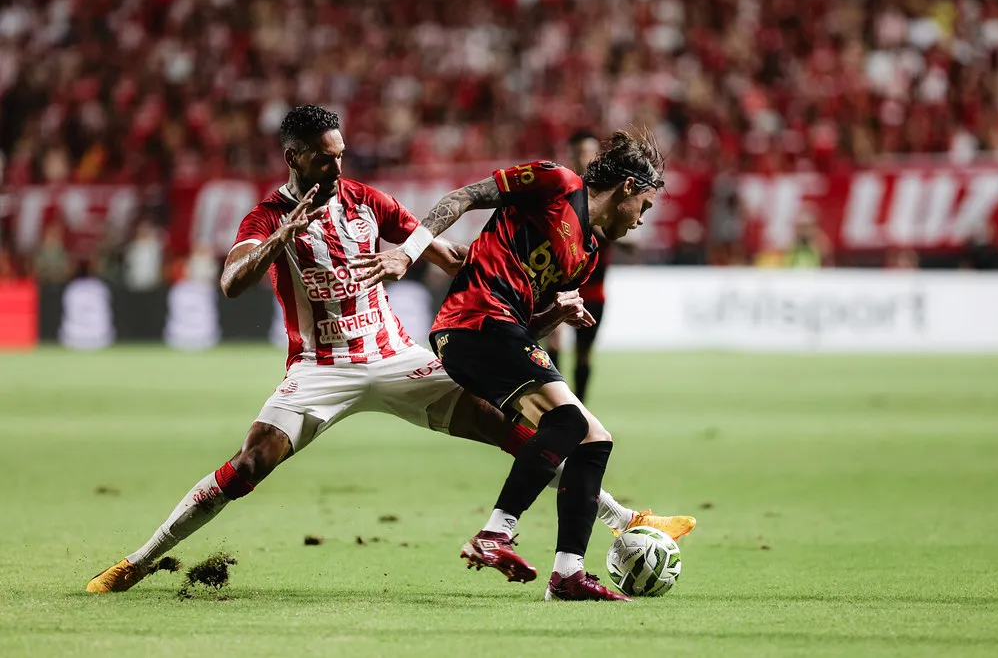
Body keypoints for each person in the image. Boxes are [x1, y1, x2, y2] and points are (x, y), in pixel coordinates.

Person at [86, 106, 693, 593]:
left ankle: (625, 520)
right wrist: (281, 237)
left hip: (397, 358)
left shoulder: (364, 201)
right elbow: (232, 282)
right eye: (325, 159)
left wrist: (441, 255)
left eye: (341, 156)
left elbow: (434, 243)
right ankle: (137, 561)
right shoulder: (264, 216)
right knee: (249, 465)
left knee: (520, 428)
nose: (336, 167)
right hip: (319, 369)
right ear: (294, 157)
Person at [352, 128, 682, 601]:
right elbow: (464, 196)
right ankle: (494, 535)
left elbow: (525, 329)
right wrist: (408, 251)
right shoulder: (556, 182)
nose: (641, 220)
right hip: (470, 321)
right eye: (645, 207)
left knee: (594, 439)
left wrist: (556, 314)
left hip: (499, 331)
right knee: (567, 419)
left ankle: (567, 573)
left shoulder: (586, 255)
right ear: (628, 187)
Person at [545, 130, 629, 403]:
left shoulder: (610, 194)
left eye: (591, 153)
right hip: (559, 285)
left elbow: (624, 234)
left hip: (594, 289)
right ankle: (554, 407)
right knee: (554, 340)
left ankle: (579, 409)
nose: (586, 159)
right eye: (581, 153)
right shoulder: (562, 189)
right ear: (571, 155)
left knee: (584, 353)